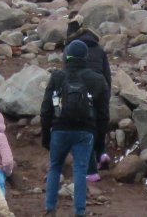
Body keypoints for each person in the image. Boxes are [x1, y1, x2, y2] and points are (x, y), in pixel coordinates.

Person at [40, 40, 110, 217]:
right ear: (86, 57)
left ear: (67, 56)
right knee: (80, 170)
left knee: (55, 166)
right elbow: (103, 115)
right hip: (85, 132)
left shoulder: (57, 76)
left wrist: (46, 135)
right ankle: (80, 212)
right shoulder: (97, 79)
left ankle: (50, 208)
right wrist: (100, 143)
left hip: (59, 129)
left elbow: (46, 108)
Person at [66, 16, 113, 181]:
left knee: (86, 125)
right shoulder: (99, 49)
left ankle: (91, 170)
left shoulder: (72, 49)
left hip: (83, 87)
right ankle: (102, 153)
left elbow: (69, 72)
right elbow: (107, 74)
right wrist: (107, 92)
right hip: (102, 86)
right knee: (101, 122)